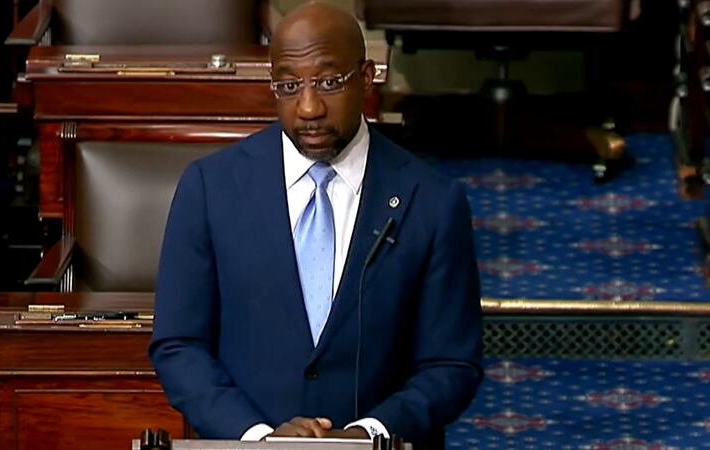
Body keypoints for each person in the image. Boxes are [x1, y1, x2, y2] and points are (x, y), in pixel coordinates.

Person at [149, 2, 482, 448]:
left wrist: (368, 434)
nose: (308, 107)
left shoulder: (434, 201)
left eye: (328, 82)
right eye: (288, 85)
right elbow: (179, 345)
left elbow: (452, 364)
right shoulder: (210, 189)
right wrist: (260, 438)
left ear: (367, 78)